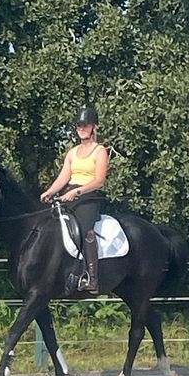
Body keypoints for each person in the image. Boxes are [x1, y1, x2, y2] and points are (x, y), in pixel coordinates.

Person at [40, 105, 109, 293]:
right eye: (79, 126)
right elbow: (64, 177)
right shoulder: (72, 152)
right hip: (69, 194)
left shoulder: (99, 151)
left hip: (88, 197)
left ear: (94, 127)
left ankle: (92, 277)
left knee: (86, 230)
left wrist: (77, 192)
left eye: (85, 125)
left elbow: (99, 180)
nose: (82, 129)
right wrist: (49, 191)